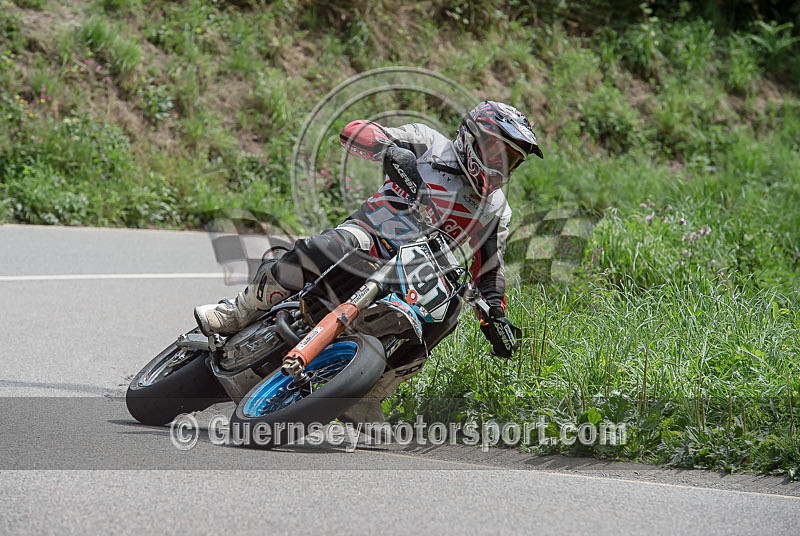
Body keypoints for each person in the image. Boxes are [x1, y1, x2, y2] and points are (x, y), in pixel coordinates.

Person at [194, 101, 543, 419]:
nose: (503, 167)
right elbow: (355, 130)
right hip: (372, 237)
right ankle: (237, 311)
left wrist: (494, 314)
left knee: (450, 312)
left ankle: (369, 392)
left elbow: (491, 266)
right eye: (500, 154)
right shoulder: (428, 143)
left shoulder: (497, 208)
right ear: (475, 139)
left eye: (512, 160)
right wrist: (388, 149)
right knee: (334, 244)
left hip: (421, 273)